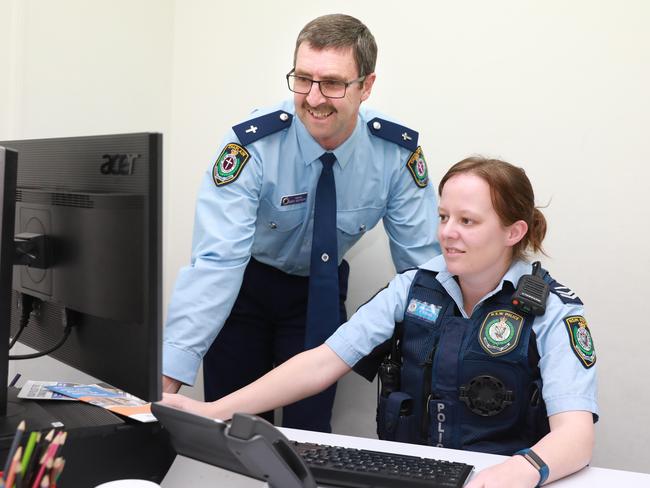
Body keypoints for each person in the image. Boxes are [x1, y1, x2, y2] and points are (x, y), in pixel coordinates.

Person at [161, 157, 598, 487]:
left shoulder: (553, 311)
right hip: (411, 475)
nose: (448, 233)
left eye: (468, 221)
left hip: (497, 479)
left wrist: (522, 471)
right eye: (444, 217)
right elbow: (320, 363)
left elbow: (575, 438)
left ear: (514, 232)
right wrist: (211, 412)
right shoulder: (413, 287)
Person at [162, 13, 440, 433]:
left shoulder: (394, 154)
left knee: (305, 436)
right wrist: (170, 371)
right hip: (243, 290)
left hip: (319, 291)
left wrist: (446, 349)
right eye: (303, 79)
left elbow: (422, 266)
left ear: (366, 86)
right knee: (232, 428)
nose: (313, 98)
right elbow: (217, 263)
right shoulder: (253, 145)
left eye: (332, 83)